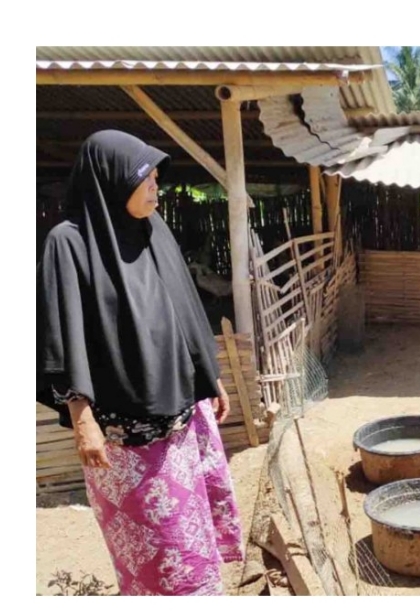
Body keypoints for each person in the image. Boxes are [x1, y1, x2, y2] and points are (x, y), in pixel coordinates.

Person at [36, 130, 243, 595]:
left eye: (155, 177)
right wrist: (82, 419)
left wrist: (210, 379)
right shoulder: (68, 244)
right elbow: (61, 337)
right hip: (125, 438)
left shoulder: (154, 231)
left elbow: (184, 309)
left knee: (193, 537)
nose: (155, 186)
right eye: (144, 177)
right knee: (153, 547)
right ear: (112, 181)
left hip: (184, 421)